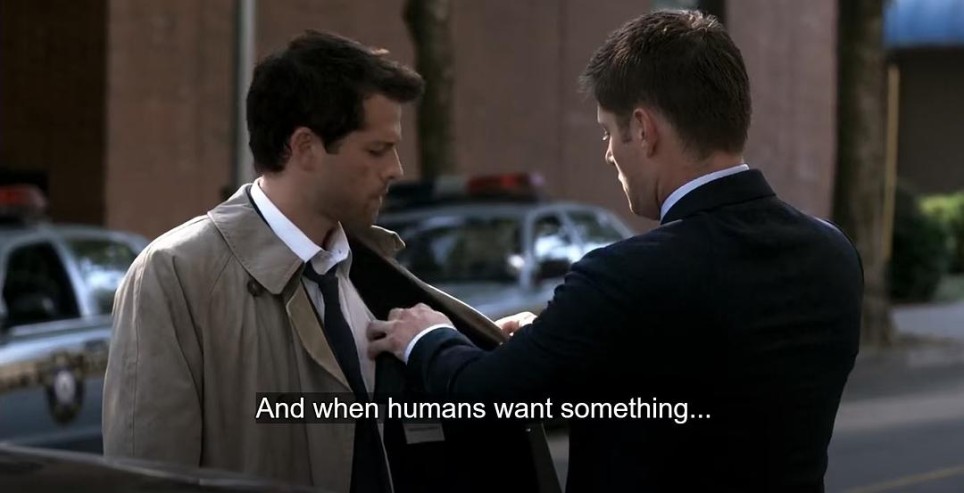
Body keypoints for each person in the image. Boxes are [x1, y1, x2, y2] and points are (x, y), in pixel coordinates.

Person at [368, 10, 862, 493]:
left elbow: (487, 397)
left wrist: (426, 337)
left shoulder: (626, 274)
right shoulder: (834, 255)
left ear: (644, 130)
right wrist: (562, 336)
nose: (608, 154)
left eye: (608, 132)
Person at [102, 31, 423, 492]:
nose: (396, 169)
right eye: (377, 149)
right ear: (305, 147)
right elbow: (145, 476)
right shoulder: (175, 275)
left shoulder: (372, 272)